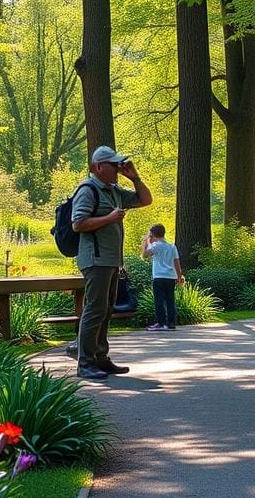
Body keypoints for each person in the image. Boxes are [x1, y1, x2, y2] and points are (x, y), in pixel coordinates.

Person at [71, 145, 152, 379]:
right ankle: (85, 363)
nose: (118, 168)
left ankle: (100, 358)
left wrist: (135, 177)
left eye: (119, 164)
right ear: (98, 167)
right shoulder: (88, 190)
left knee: (106, 311)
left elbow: (145, 200)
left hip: (111, 261)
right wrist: (109, 218)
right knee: (94, 310)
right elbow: (78, 224)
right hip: (95, 260)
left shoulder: (114, 190)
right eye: (113, 164)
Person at [141, 223, 184, 331]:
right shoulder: (172, 247)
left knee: (159, 300)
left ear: (152, 234)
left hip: (159, 276)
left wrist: (146, 240)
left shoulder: (155, 246)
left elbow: (144, 255)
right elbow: (177, 263)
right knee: (170, 300)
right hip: (171, 277)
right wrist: (179, 277)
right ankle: (171, 323)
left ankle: (161, 323)